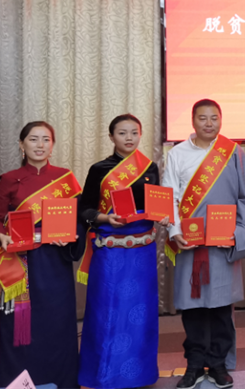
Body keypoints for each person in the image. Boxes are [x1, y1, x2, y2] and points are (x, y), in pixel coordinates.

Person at [163, 99, 245, 389]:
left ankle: (218, 364)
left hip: (222, 244)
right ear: (193, 121)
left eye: (214, 118)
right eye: (202, 118)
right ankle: (194, 365)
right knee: (192, 308)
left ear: (221, 120)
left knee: (220, 307)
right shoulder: (177, 153)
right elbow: (170, 196)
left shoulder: (233, 153)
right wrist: (174, 231)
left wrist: (239, 233)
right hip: (189, 244)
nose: (208, 123)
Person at [0, 121, 84, 388]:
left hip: (54, 263)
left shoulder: (65, 178)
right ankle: (19, 382)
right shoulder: (9, 179)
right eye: (33, 139)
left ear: (52, 145)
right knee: (18, 326)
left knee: (56, 323)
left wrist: (71, 235)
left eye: (46, 140)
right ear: (22, 144)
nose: (40, 145)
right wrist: (1, 237)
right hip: (19, 263)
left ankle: (61, 381)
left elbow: (78, 220)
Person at [78, 114, 167, 388]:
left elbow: (155, 204)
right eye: (122, 133)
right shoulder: (99, 169)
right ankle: (104, 375)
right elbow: (85, 210)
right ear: (111, 137)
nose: (129, 138)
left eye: (134, 133)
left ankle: (139, 375)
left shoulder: (150, 167)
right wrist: (105, 218)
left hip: (142, 252)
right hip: (110, 251)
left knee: (141, 313)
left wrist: (163, 216)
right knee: (108, 311)